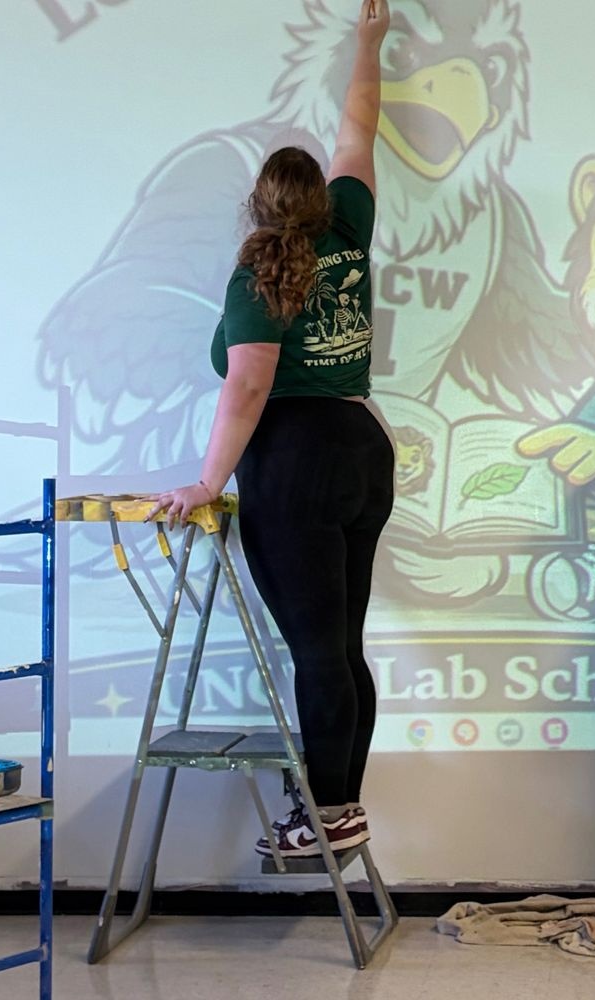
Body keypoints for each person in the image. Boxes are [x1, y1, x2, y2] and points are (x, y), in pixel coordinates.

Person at [148, 0, 392, 858]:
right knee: (343, 645)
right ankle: (343, 807)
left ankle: (326, 817)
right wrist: (369, 43)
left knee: (318, 651)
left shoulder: (259, 268)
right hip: (364, 447)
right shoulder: (351, 230)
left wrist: (209, 483)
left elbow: (247, 388)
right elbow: (359, 127)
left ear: (258, 205)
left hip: (297, 461)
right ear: (323, 198)